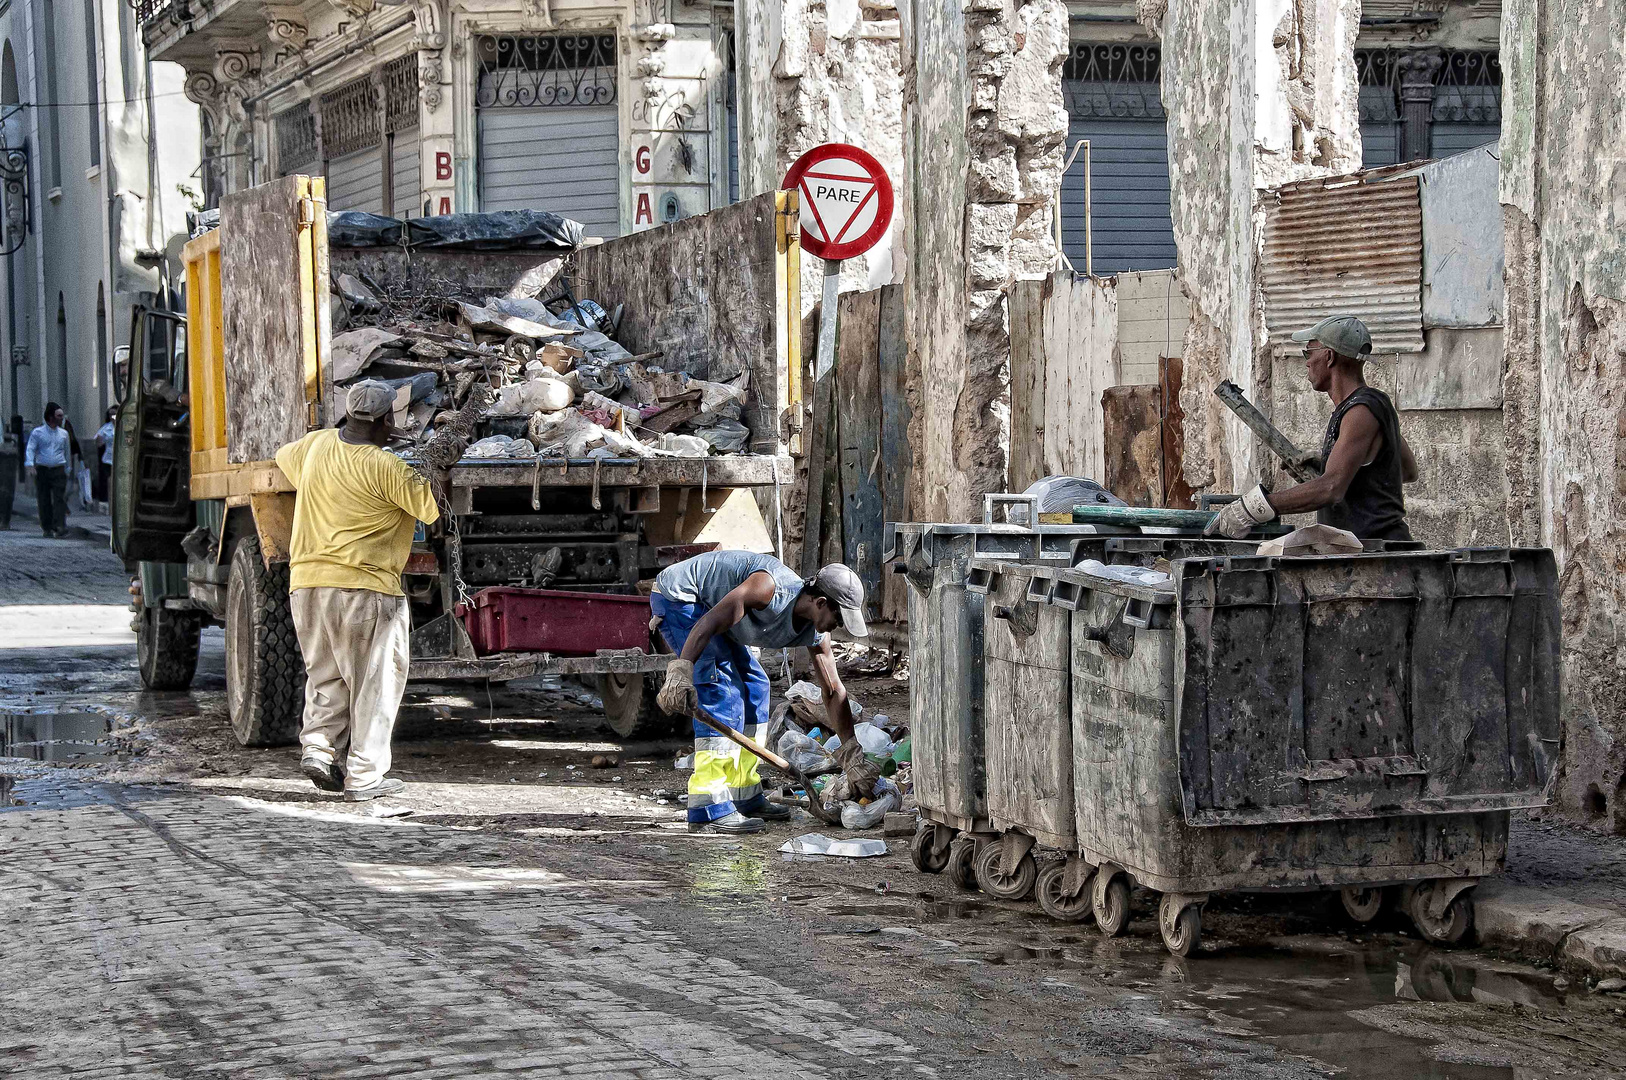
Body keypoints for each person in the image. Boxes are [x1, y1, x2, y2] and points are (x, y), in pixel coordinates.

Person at [274, 381, 442, 801]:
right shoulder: (386, 467)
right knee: (376, 683)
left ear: (348, 415)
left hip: (307, 585)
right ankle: (365, 778)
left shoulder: (314, 447)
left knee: (325, 673)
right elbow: (431, 509)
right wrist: (435, 465)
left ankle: (317, 747)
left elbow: (283, 457)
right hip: (365, 590)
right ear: (387, 421)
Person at [652, 550, 870, 835]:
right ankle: (707, 806)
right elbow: (710, 622)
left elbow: (832, 690)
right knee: (722, 689)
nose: (837, 627)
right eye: (838, 618)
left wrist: (851, 752)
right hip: (682, 598)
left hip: (711, 608)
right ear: (820, 602)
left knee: (757, 686)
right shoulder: (768, 589)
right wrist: (682, 670)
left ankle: (744, 794)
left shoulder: (817, 633)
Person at [1206, 314, 1418, 542]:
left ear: (1329, 357)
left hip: (1377, 553)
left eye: (1309, 352)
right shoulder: (1372, 405)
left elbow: (1331, 489)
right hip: (1362, 549)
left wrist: (1253, 508)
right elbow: (1404, 471)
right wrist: (1331, 467)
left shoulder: (1361, 411)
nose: (1306, 362)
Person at [24, 402, 72, 538]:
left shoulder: (64, 434)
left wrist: (68, 468)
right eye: (59, 416)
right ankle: (47, 526)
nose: (62, 418)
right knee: (44, 499)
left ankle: (59, 525)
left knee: (59, 498)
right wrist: (29, 464)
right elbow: (31, 448)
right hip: (43, 469)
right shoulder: (37, 433)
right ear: (51, 417)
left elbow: (67, 451)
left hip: (58, 469)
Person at [93, 406, 116, 505]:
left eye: (114, 414)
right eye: (110, 414)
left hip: (121, 458)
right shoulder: (106, 428)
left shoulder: (125, 425)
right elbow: (98, 441)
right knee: (108, 479)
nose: (112, 416)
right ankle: (108, 500)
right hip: (108, 458)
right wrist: (101, 441)